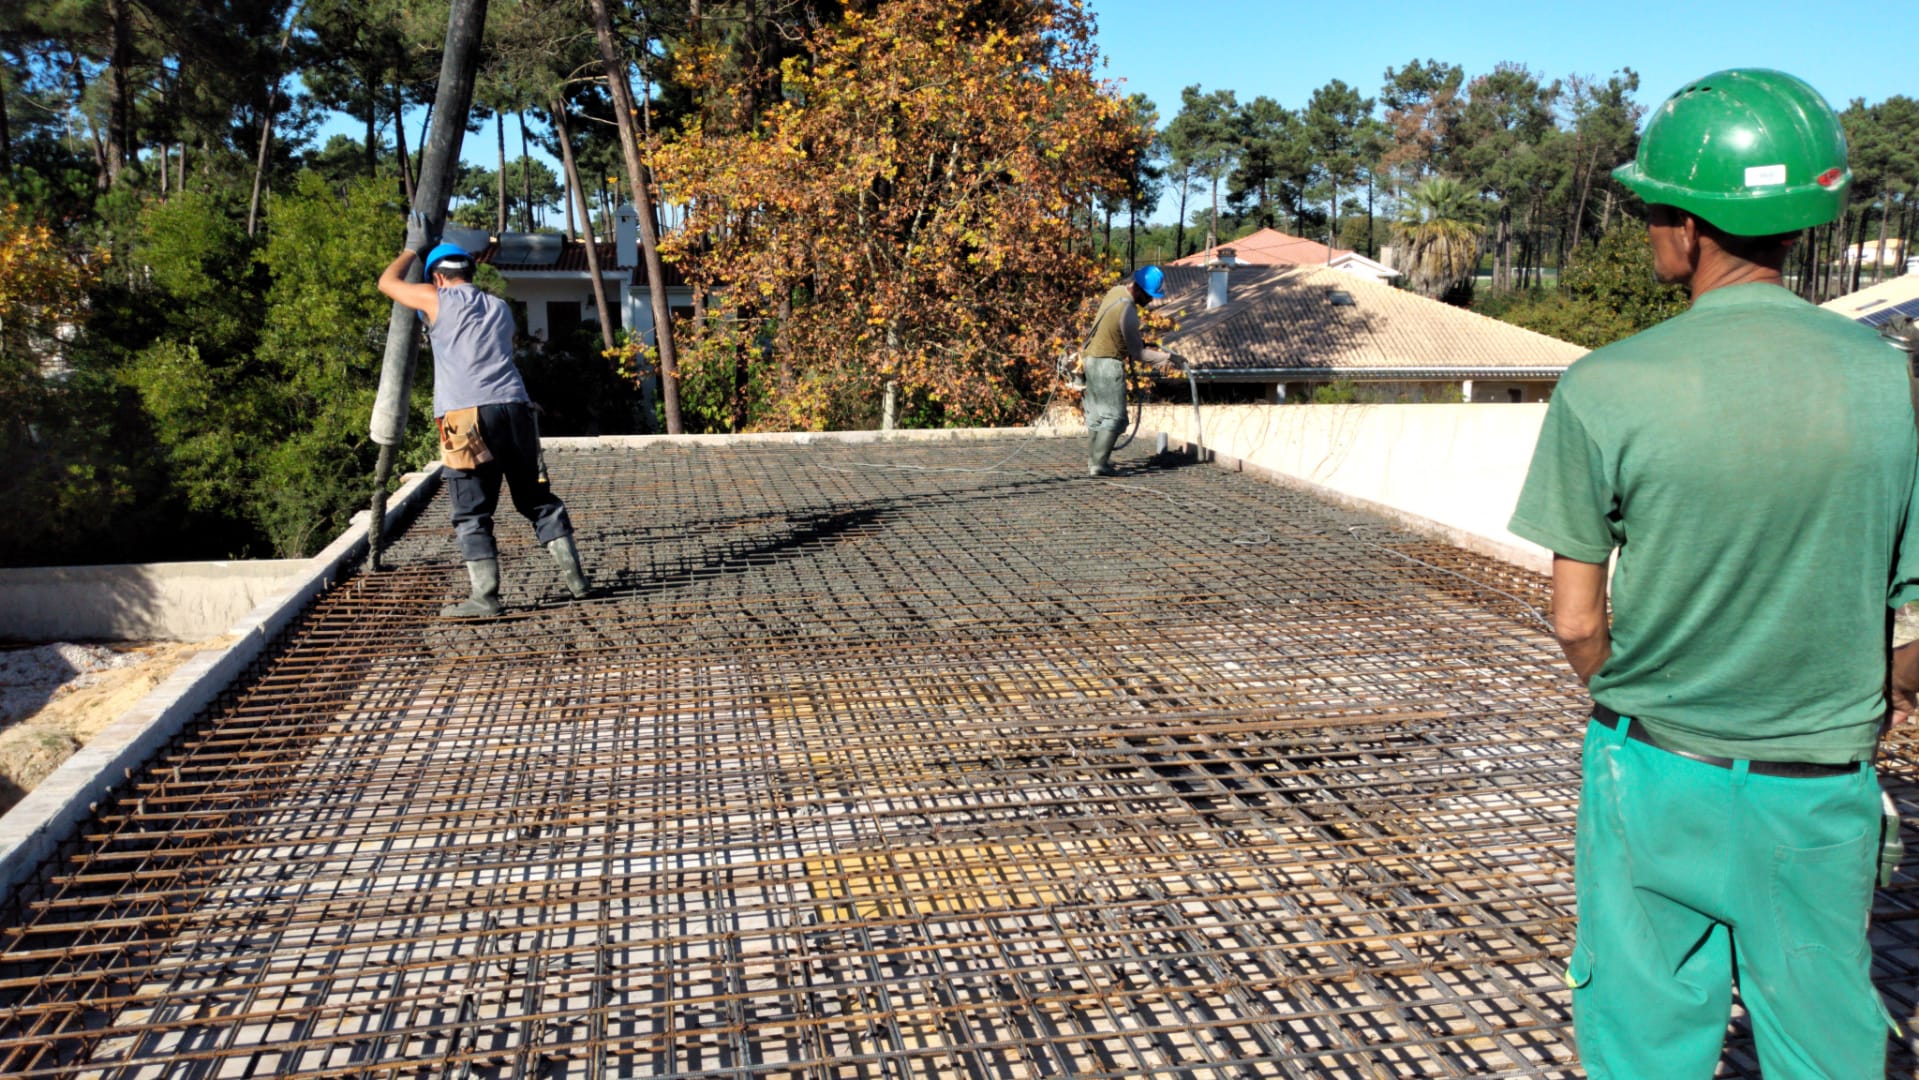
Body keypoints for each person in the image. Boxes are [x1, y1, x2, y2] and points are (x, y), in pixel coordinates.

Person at [1508, 69, 1911, 1078]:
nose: (1648, 226)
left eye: (1652, 208)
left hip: (1654, 769)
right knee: (1826, 1043)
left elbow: (1574, 621)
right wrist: (1860, 703)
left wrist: (1634, 701)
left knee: (1644, 1043)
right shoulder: (1886, 378)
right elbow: (1909, 622)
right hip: (1819, 789)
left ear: (1688, 230)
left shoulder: (1605, 385)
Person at [377, 213, 590, 617]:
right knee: (536, 499)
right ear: (470, 272)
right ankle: (577, 581)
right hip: (517, 409)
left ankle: (485, 597)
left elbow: (387, 283)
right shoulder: (500, 307)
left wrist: (411, 248)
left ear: (437, 278)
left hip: (468, 417)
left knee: (472, 509)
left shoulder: (435, 298)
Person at [1081, 266, 1181, 476]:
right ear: (1139, 290)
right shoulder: (1128, 311)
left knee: (1097, 416)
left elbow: (1113, 329)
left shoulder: (1115, 292)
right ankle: (1099, 465)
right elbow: (1139, 354)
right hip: (1108, 366)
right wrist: (1169, 358)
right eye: (1149, 296)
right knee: (1115, 418)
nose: (1150, 300)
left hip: (1090, 360)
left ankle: (1095, 460)